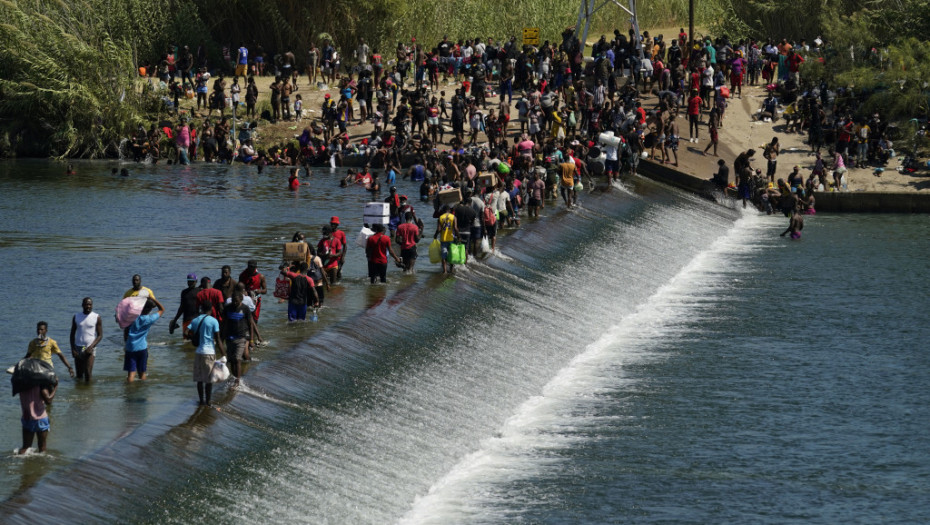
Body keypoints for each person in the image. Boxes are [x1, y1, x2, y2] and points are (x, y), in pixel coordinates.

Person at [188, 302, 223, 405]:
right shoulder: (213, 321)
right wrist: (224, 354)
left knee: (199, 379)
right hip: (209, 352)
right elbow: (218, 339)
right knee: (209, 380)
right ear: (211, 309)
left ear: (201, 309)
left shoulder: (195, 320)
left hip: (199, 352)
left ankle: (201, 400)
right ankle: (208, 401)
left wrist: (193, 337)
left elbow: (186, 332)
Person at [123, 297, 165, 382]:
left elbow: (125, 330)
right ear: (149, 310)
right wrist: (153, 299)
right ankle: (142, 391)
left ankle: (129, 391)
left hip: (130, 347)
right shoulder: (149, 319)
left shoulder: (132, 317)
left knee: (131, 373)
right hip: (142, 347)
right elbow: (162, 309)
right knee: (142, 373)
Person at [222, 291, 255, 384]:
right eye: (233, 301)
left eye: (236, 301)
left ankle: (238, 381)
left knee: (237, 359)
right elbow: (224, 324)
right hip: (229, 337)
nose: (234, 303)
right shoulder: (227, 308)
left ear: (241, 300)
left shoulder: (245, 309)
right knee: (231, 360)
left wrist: (251, 340)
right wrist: (221, 338)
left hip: (241, 337)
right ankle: (234, 377)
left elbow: (250, 324)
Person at [17, 381, 56, 454]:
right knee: (42, 448)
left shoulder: (21, 383)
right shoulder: (41, 384)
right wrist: (56, 386)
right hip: (41, 418)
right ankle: (41, 464)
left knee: (25, 448)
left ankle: (22, 463)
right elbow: (48, 400)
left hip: (27, 417)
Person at [70, 298, 102, 383]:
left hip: (89, 348)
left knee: (88, 373)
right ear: (82, 305)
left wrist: (91, 347)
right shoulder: (76, 316)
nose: (88, 306)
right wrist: (73, 349)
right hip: (78, 347)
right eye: (86, 304)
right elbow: (72, 334)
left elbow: (100, 335)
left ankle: (89, 394)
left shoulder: (96, 317)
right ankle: (80, 394)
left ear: (92, 305)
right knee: (79, 375)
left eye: (90, 304)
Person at [170, 273, 201, 339]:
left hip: (197, 319)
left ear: (196, 281)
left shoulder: (199, 291)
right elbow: (182, 307)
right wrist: (175, 319)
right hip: (186, 319)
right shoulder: (184, 292)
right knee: (186, 339)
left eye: (192, 281)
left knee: (197, 339)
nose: (190, 283)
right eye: (189, 281)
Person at [433, 204, 458, 274]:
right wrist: (459, 236)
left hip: (443, 239)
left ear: (443, 211)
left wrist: (435, 235)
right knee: (452, 254)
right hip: (451, 239)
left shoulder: (440, 217)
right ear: (449, 210)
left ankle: (445, 271)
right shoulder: (453, 217)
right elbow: (455, 228)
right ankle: (451, 268)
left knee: (443, 256)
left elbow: (438, 229)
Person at [329, 216, 348, 281]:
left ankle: (338, 286)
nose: (332, 225)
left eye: (334, 224)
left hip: (338, 257)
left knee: (338, 272)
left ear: (337, 225)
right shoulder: (328, 233)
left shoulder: (341, 233)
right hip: (329, 257)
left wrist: (343, 257)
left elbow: (345, 246)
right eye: (331, 224)